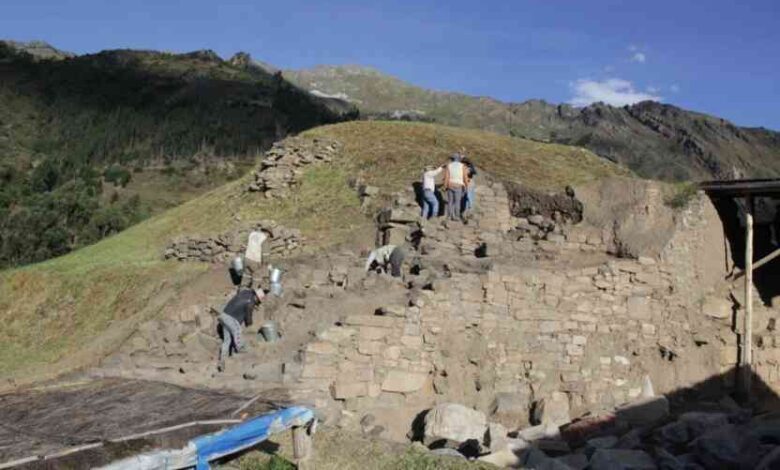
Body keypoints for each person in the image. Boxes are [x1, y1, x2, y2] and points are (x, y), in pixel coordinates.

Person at [217, 286, 264, 372]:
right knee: (237, 329)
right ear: (256, 297)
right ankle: (240, 348)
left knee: (227, 341)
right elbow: (248, 317)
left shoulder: (245, 292)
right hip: (230, 318)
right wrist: (250, 326)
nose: (257, 303)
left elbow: (241, 303)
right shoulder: (251, 302)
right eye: (258, 301)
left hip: (223, 315)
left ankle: (222, 362)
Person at [443, 153, 470, 221]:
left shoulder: (449, 166)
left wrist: (445, 186)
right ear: (459, 159)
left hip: (450, 184)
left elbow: (446, 177)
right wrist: (466, 185)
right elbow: (465, 177)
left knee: (450, 201)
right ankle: (456, 216)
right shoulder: (463, 166)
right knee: (457, 201)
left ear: (452, 159)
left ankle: (449, 215)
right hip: (459, 185)